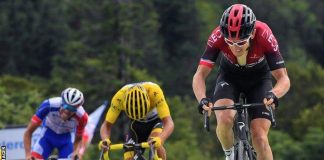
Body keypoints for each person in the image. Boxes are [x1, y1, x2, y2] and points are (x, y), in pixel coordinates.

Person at [192, 4, 290, 160]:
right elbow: (199, 75)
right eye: (229, 42)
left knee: (259, 136)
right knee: (224, 119)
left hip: (259, 79)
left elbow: (283, 78)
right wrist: (202, 99)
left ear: (252, 33)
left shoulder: (264, 34)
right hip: (229, 76)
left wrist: (274, 94)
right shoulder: (217, 36)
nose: (234, 47)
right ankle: (230, 155)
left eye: (240, 42)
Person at [99, 82, 174, 160]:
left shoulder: (154, 92)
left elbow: (169, 123)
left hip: (155, 121)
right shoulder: (119, 98)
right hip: (136, 124)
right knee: (129, 157)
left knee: (154, 142)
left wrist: (160, 139)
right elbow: (107, 124)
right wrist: (105, 139)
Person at [24, 88, 88, 160]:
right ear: (61, 102)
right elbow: (28, 132)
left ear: (77, 108)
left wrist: (76, 152)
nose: (67, 111)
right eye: (65, 106)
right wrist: (28, 155)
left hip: (66, 140)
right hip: (47, 136)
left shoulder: (82, 117)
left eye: (71, 109)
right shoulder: (49, 105)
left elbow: (78, 138)